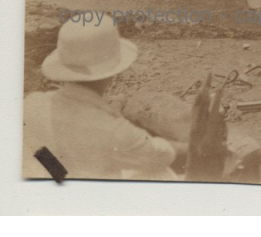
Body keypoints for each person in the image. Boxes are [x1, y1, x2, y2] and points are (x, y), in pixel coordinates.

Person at [23, 16, 182, 180]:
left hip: (57, 183)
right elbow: (161, 156)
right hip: (94, 199)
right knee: (161, 174)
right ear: (113, 72)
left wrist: (63, 177)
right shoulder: (115, 131)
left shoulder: (32, 104)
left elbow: (38, 151)